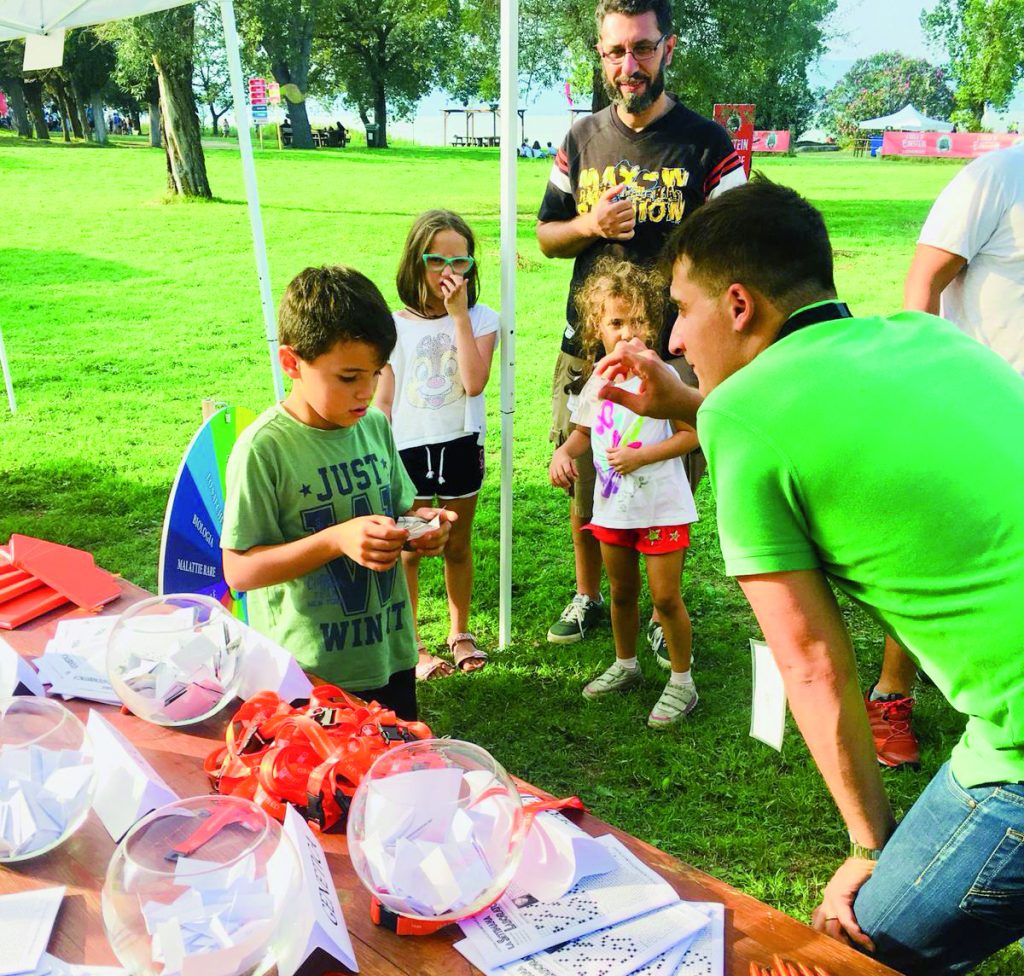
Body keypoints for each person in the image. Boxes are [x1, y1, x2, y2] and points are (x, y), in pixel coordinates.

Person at [597, 176, 1024, 975]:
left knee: (856, 947)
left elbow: (813, 663)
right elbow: (823, 421)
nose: (675, 339)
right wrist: (688, 403)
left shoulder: (743, 418)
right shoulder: (925, 336)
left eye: (681, 310)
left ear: (737, 305)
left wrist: (869, 847)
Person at [536, 0, 744, 652]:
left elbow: (742, 238)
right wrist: (590, 225)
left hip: (677, 349)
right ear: (601, 55)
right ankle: (589, 594)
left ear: (668, 48)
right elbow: (546, 235)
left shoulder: (707, 143)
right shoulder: (580, 139)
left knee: (670, 477)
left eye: (643, 48)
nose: (630, 65)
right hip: (588, 345)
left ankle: (660, 608)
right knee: (585, 474)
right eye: (616, 51)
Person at [221, 266, 455, 721]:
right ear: (292, 363)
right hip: (308, 677)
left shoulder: (374, 426)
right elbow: (239, 571)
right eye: (348, 378)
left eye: (376, 373)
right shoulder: (264, 449)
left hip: (390, 655)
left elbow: (401, 509)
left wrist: (422, 529)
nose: (366, 392)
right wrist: (334, 540)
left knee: (394, 758)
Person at [860, 140, 1024, 772]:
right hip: (975, 407)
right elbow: (923, 282)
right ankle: (891, 694)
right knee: (934, 553)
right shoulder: (999, 176)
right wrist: (923, 389)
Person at [549, 258, 698, 727]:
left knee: (665, 598)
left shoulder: (664, 377)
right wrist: (562, 454)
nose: (628, 332)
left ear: (652, 325)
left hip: (661, 507)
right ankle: (626, 664)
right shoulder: (597, 380)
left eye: (637, 321)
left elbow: (692, 434)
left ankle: (682, 682)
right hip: (613, 509)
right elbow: (582, 432)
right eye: (616, 322)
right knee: (621, 593)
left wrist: (642, 457)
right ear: (598, 327)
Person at [375, 211, 498, 678]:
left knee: (457, 544)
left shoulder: (482, 319)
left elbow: (474, 381)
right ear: (415, 261)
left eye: (460, 262)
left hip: (461, 442)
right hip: (408, 448)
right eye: (437, 260)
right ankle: (414, 644)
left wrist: (459, 316)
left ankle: (459, 631)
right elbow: (384, 399)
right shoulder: (392, 325)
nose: (449, 272)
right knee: (410, 545)